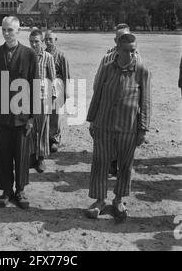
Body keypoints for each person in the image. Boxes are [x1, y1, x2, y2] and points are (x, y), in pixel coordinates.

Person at [86, 33, 151, 222]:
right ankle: (99, 201)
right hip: (103, 124)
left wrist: (143, 129)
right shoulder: (107, 69)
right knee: (100, 163)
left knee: (125, 165)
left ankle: (119, 200)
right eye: (126, 51)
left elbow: (145, 103)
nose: (131, 55)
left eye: (133, 51)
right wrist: (91, 120)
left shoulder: (142, 71)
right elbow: (97, 95)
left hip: (128, 127)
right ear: (117, 50)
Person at [0, 16, 38, 209]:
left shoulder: (29, 54)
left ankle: (21, 190)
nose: (7, 33)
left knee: (22, 155)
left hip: (23, 117)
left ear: (18, 31)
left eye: (10, 30)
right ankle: (6, 190)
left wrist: (32, 117)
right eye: (4, 30)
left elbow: (35, 86)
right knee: (3, 154)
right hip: (1, 116)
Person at [93, 23, 142, 178]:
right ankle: (112, 164)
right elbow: (98, 82)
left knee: (126, 140)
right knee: (111, 137)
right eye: (120, 37)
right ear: (116, 40)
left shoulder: (137, 57)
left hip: (127, 108)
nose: (123, 39)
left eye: (125, 36)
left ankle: (124, 166)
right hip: (110, 105)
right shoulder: (108, 57)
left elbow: (141, 85)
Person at [29, 29, 56, 173]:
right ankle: (32, 156)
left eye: (36, 41)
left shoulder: (48, 57)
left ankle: (41, 158)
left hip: (43, 97)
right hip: (27, 97)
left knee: (43, 129)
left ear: (42, 42)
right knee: (30, 128)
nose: (34, 44)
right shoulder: (26, 55)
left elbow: (52, 78)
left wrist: (53, 98)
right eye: (31, 41)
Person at [44, 30, 70, 152]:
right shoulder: (42, 54)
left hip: (57, 86)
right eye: (46, 39)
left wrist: (66, 91)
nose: (48, 41)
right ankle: (45, 139)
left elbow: (66, 75)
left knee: (55, 115)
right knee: (44, 114)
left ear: (55, 39)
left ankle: (54, 140)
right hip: (44, 87)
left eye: (50, 39)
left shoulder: (61, 55)